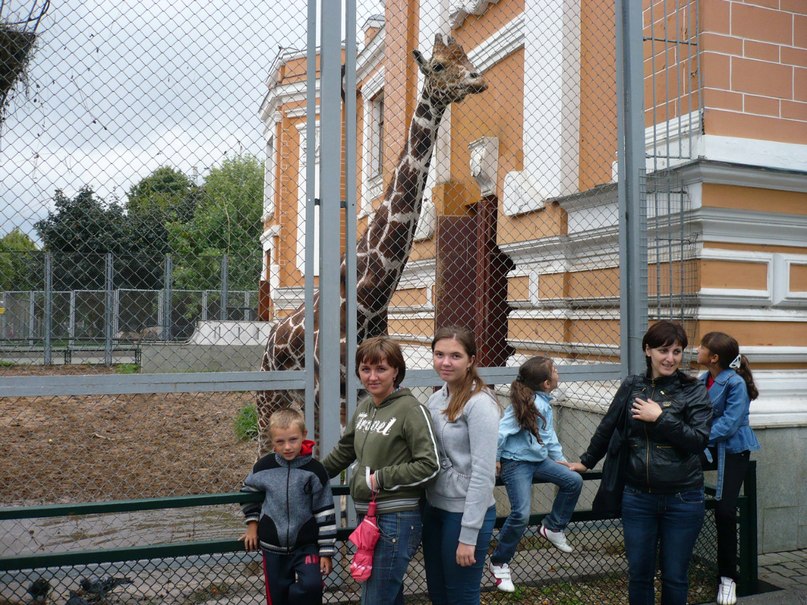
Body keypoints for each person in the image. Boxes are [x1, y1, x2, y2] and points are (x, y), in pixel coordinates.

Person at [567, 320, 712, 605]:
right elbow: (608, 426)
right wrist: (586, 461)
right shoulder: (633, 385)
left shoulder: (693, 390)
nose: (670, 358)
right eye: (663, 350)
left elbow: (698, 440)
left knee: (675, 576)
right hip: (638, 497)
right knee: (639, 575)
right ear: (648, 350)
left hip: (683, 497)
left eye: (677, 351)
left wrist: (660, 418)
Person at [321, 336, 440, 605]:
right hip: (369, 517)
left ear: (396, 370)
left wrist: (381, 478)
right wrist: (311, 475)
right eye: (365, 369)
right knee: (387, 596)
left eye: (381, 369)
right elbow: (344, 451)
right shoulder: (365, 407)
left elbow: (430, 465)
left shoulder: (411, 410)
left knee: (375, 598)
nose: (372, 377)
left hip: (396, 518)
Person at [488, 356, 583, 593]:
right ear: (546, 383)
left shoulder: (543, 402)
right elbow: (500, 432)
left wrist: (561, 461)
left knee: (573, 480)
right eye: (555, 370)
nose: (558, 372)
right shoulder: (526, 404)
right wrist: (496, 458)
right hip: (516, 463)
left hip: (539, 460)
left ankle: (553, 527)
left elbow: (548, 435)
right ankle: (499, 561)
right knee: (521, 514)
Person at [422, 326, 502, 605]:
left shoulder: (480, 404)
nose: (445, 362)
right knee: (439, 594)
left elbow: (483, 473)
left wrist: (469, 535)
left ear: (471, 360)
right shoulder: (435, 399)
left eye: (455, 356)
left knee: (461, 596)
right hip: (435, 510)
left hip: (464, 515)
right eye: (439, 354)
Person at [240, 407, 336, 605]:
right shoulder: (263, 468)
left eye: (293, 440)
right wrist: (252, 524)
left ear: (304, 435)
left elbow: (325, 511)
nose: (287, 447)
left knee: (312, 585)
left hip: (306, 546)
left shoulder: (315, 471)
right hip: (272, 546)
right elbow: (247, 491)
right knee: (277, 598)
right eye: (280, 442)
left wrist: (326, 552)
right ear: (272, 442)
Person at [697, 331, 761, 605]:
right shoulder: (703, 379)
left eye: (701, 347)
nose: (696, 350)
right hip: (708, 445)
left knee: (725, 510)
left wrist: (695, 438)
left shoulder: (735, 383)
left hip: (734, 448)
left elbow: (729, 424)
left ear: (713, 357)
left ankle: (727, 579)